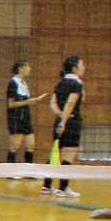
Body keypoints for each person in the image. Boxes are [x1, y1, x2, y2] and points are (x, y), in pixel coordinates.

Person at [46, 56, 87, 197]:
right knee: (68, 156)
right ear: (74, 68)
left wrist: (60, 116)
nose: (83, 67)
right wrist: (64, 121)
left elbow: (52, 102)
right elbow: (71, 103)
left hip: (59, 121)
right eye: (81, 64)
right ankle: (63, 188)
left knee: (55, 153)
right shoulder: (77, 84)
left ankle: (47, 186)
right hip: (71, 122)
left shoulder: (61, 83)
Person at [6, 59, 42, 172]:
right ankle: (10, 171)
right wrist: (28, 102)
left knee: (31, 144)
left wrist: (30, 102)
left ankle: (28, 171)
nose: (29, 69)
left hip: (26, 116)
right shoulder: (13, 83)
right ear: (21, 68)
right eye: (27, 66)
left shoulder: (24, 83)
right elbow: (11, 104)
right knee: (15, 145)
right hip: (16, 117)